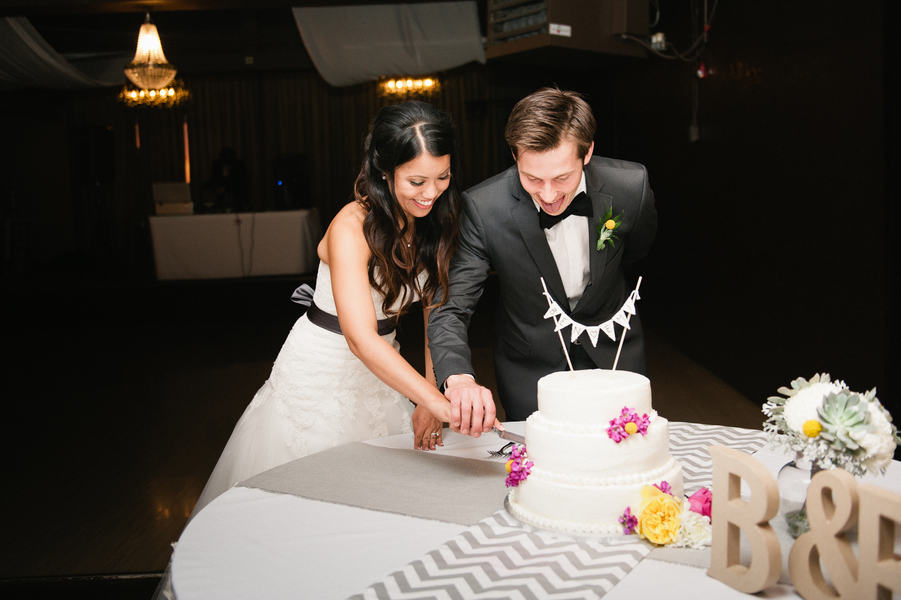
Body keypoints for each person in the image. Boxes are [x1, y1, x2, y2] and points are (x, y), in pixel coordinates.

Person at [193, 101, 497, 514]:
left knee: (378, 501)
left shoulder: (435, 219)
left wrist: (430, 397)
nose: (431, 193)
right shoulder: (351, 226)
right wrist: (436, 401)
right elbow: (358, 337)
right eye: (416, 181)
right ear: (385, 171)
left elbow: (434, 315)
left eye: (442, 177)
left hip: (384, 371)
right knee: (312, 500)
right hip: (324, 369)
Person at [428, 88, 658, 424]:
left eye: (562, 177)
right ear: (515, 154)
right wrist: (459, 377)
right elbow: (451, 306)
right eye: (533, 178)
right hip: (529, 368)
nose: (548, 195)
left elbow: (637, 252)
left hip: (616, 357)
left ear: (588, 152)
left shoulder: (630, 187)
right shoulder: (484, 208)